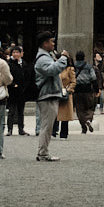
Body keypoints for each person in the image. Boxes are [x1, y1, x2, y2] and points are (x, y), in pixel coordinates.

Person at [34, 32, 67, 162]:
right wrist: (63, 58)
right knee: (47, 126)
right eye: (51, 41)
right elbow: (52, 70)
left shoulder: (45, 56)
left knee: (47, 126)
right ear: (45, 43)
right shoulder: (42, 58)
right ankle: (43, 153)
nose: (53, 44)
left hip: (49, 94)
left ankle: (43, 152)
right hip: (47, 95)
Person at [72, 50, 98, 133]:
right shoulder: (89, 67)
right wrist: (96, 89)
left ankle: (83, 126)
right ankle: (88, 119)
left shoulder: (73, 67)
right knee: (90, 107)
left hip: (77, 90)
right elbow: (93, 78)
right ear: (84, 58)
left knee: (79, 109)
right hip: (87, 89)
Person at [6, 46, 28, 137]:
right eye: (14, 52)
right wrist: (13, 84)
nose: (16, 54)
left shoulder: (23, 64)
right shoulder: (9, 64)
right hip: (12, 90)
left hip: (22, 91)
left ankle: (21, 129)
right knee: (11, 111)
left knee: (20, 111)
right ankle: (9, 129)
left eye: (17, 52)